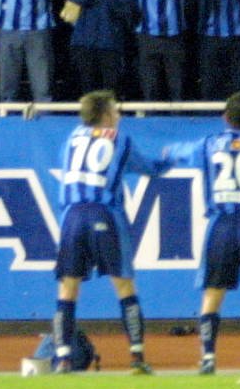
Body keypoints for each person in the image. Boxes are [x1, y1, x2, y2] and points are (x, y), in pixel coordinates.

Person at [159, 92, 240, 377]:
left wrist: (167, 152)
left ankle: (208, 357)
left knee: (213, 292)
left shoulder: (208, 144)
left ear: (225, 118)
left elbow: (179, 152)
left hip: (221, 225)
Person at [51, 90, 168, 374]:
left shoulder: (71, 139)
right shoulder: (120, 139)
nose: (118, 115)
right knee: (124, 286)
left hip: (72, 216)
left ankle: (63, 358)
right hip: (104, 213)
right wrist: (168, 160)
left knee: (67, 288)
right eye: (115, 111)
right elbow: (149, 168)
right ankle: (137, 356)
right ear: (104, 115)